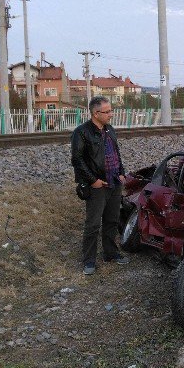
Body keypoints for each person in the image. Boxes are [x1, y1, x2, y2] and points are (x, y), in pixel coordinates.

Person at [71, 96, 129, 275]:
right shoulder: (81, 132)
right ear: (95, 113)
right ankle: (89, 260)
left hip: (114, 182)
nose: (111, 114)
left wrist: (121, 172)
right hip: (97, 185)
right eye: (107, 112)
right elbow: (77, 160)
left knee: (112, 220)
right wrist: (92, 180)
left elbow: (116, 153)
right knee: (93, 224)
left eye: (111, 110)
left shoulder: (110, 129)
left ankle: (110, 253)